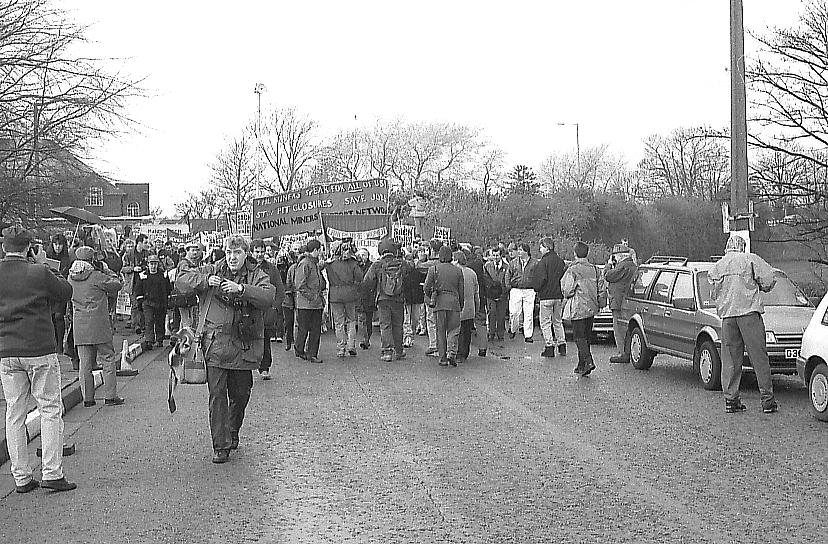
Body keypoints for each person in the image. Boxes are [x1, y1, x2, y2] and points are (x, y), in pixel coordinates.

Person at [176, 235, 274, 463]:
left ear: (245, 254)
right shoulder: (213, 269)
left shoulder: (257, 274)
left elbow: (268, 296)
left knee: (240, 395)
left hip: (243, 346)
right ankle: (221, 445)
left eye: (237, 253)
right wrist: (205, 280)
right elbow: (181, 280)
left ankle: (232, 430)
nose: (232, 257)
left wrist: (242, 289)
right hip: (216, 346)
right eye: (229, 253)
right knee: (217, 396)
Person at [0, 225, 77, 493]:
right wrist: (47, 266)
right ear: (30, 248)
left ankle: (21, 477)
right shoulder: (39, 272)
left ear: (3, 247)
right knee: (50, 409)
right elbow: (66, 292)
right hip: (39, 348)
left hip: (7, 350)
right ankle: (52, 472)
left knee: (14, 413)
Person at [708, 235, 778, 414]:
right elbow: (769, 279)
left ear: (727, 247)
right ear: (742, 246)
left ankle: (731, 400)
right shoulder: (749, 259)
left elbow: (713, 293)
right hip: (748, 313)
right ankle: (767, 400)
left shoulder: (718, 266)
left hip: (728, 318)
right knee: (758, 357)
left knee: (730, 360)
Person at [69, 246, 125, 407]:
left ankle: (88, 399)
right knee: (107, 359)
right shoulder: (96, 276)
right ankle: (110, 396)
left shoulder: (70, 277)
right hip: (99, 324)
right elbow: (117, 284)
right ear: (92, 260)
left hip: (80, 326)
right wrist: (108, 270)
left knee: (85, 364)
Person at [362, 238, 413, 362]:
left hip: (383, 299)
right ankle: (399, 351)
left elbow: (367, 281)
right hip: (398, 298)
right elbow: (411, 269)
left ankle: (387, 352)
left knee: (385, 325)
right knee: (397, 325)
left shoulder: (377, 264)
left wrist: (372, 292)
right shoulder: (401, 263)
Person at [561, 242, 606, 377]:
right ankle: (581, 365)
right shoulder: (595, 269)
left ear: (575, 253)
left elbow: (567, 290)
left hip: (578, 307)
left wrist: (565, 293)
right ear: (587, 253)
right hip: (592, 307)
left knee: (579, 337)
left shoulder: (573, 270)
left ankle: (588, 360)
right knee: (586, 337)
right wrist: (600, 303)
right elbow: (602, 288)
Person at [423, 245, 464, 366]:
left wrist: (432, 295)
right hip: (454, 303)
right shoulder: (458, 270)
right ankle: (451, 352)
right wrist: (461, 304)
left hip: (439, 303)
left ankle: (442, 357)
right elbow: (461, 290)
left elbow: (426, 287)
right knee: (454, 329)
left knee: (440, 331)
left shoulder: (433, 269)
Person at [250, 238, 285, 379]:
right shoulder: (245, 268)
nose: (259, 254)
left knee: (265, 340)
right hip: (250, 310)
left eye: (262, 252)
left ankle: (264, 367)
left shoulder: (271, 268)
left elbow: (280, 289)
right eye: (257, 252)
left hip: (266, 311)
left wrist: (275, 307)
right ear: (251, 252)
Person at [325, 240, 363, 358]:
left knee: (339, 322)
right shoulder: (353, 263)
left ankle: (341, 348)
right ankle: (351, 345)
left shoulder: (330, 264)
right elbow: (360, 277)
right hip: (350, 294)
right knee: (352, 320)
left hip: (335, 295)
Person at [604, 242, 638, 363]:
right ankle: (628, 351)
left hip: (618, 302)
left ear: (620, 255)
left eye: (615, 255)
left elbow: (608, 276)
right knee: (627, 328)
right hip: (627, 302)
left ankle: (622, 353)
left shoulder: (623, 266)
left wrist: (608, 265)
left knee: (618, 329)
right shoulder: (633, 266)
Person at [533, 237, 567, 358]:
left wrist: (536, 288)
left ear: (547, 248)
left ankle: (549, 346)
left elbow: (541, 279)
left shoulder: (543, 262)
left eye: (541, 247)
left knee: (545, 323)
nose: (540, 250)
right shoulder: (560, 262)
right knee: (558, 321)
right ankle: (562, 344)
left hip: (546, 296)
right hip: (558, 295)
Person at [293, 239, 326, 364]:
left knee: (314, 329)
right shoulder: (305, 263)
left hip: (314, 303)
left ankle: (309, 352)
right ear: (316, 250)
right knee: (306, 328)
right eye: (320, 250)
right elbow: (299, 285)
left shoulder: (313, 263)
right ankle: (302, 350)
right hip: (307, 303)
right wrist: (312, 296)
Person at [134, 254, 171, 350]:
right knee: (149, 321)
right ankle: (149, 340)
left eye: (155, 264)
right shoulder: (143, 275)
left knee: (160, 321)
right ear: (148, 264)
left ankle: (159, 339)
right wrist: (140, 302)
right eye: (151, 264)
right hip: (147, 302)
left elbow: (168, 289)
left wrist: (166, 302)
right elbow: (138, 290)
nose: (153, 266)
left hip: (160, 302)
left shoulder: (163, 275)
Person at [505, 242, 539, 342]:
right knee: (514, 312)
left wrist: (536, 288)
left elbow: (538, 276)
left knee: (528, 313)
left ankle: (528, 335)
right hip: (516, 289)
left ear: (526, 251)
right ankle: (513, 329)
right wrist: (509, 287)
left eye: (521, 250)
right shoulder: (513, 263)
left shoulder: (535, 263)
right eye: (518, 250)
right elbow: (508, 275)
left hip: (529, 289)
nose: (518, 252)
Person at [46, 234, 73, 357]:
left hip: (61, 289)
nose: (58, 247)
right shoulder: (47, 256)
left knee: (58, 316)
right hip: (49, 289)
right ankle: (53, 342)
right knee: (51, 318)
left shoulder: (67, 258)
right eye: (55, 244)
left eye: (60, 244)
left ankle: (59, 346)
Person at [451, 250, 479, 364]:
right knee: (466, 332)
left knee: (457, 332)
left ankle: (456, 352)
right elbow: (476, 292)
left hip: (458, 307)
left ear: (457, 260)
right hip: (470, 307)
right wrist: (477, 307)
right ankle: (464, 354)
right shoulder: (472, 273)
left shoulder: (455, 273)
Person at [417, 239, 443, 357]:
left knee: (432, 321)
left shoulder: (430, 265)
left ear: (432, 250)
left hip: (432, 296)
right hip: (444, 297)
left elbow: (417, 266)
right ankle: (443, 346)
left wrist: (421, 258)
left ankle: (434, 345)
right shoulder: (447, 264)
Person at [483, 246, 509, 341]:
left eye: (497, 255)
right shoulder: (487, 266)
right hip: (491, 295)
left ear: (501, 255)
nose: (495, 257)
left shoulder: (506, 266)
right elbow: (485, 279)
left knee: (501, 315)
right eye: (493, 255)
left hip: (502, 294)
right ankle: (491, 332)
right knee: (491, 313)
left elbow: (507, 281)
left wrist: (503, 293)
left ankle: (500, 333)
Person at [402, 249, 426, 348]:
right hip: (407, 299)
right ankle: (407, 337)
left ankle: (410, 337)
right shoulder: (403, 272)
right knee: (407, 320)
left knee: (415, 319)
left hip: (417, 298)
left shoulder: (419, 272)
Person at [356, 248, 377, 350]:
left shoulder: (372, 266)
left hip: (369, 296)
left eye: (364, 255)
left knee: (368, 319)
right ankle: (364, 339)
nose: (362, 257)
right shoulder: (356, 266)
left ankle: (367, 337)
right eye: (360, 255)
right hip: (359, 296)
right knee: (361, 319)